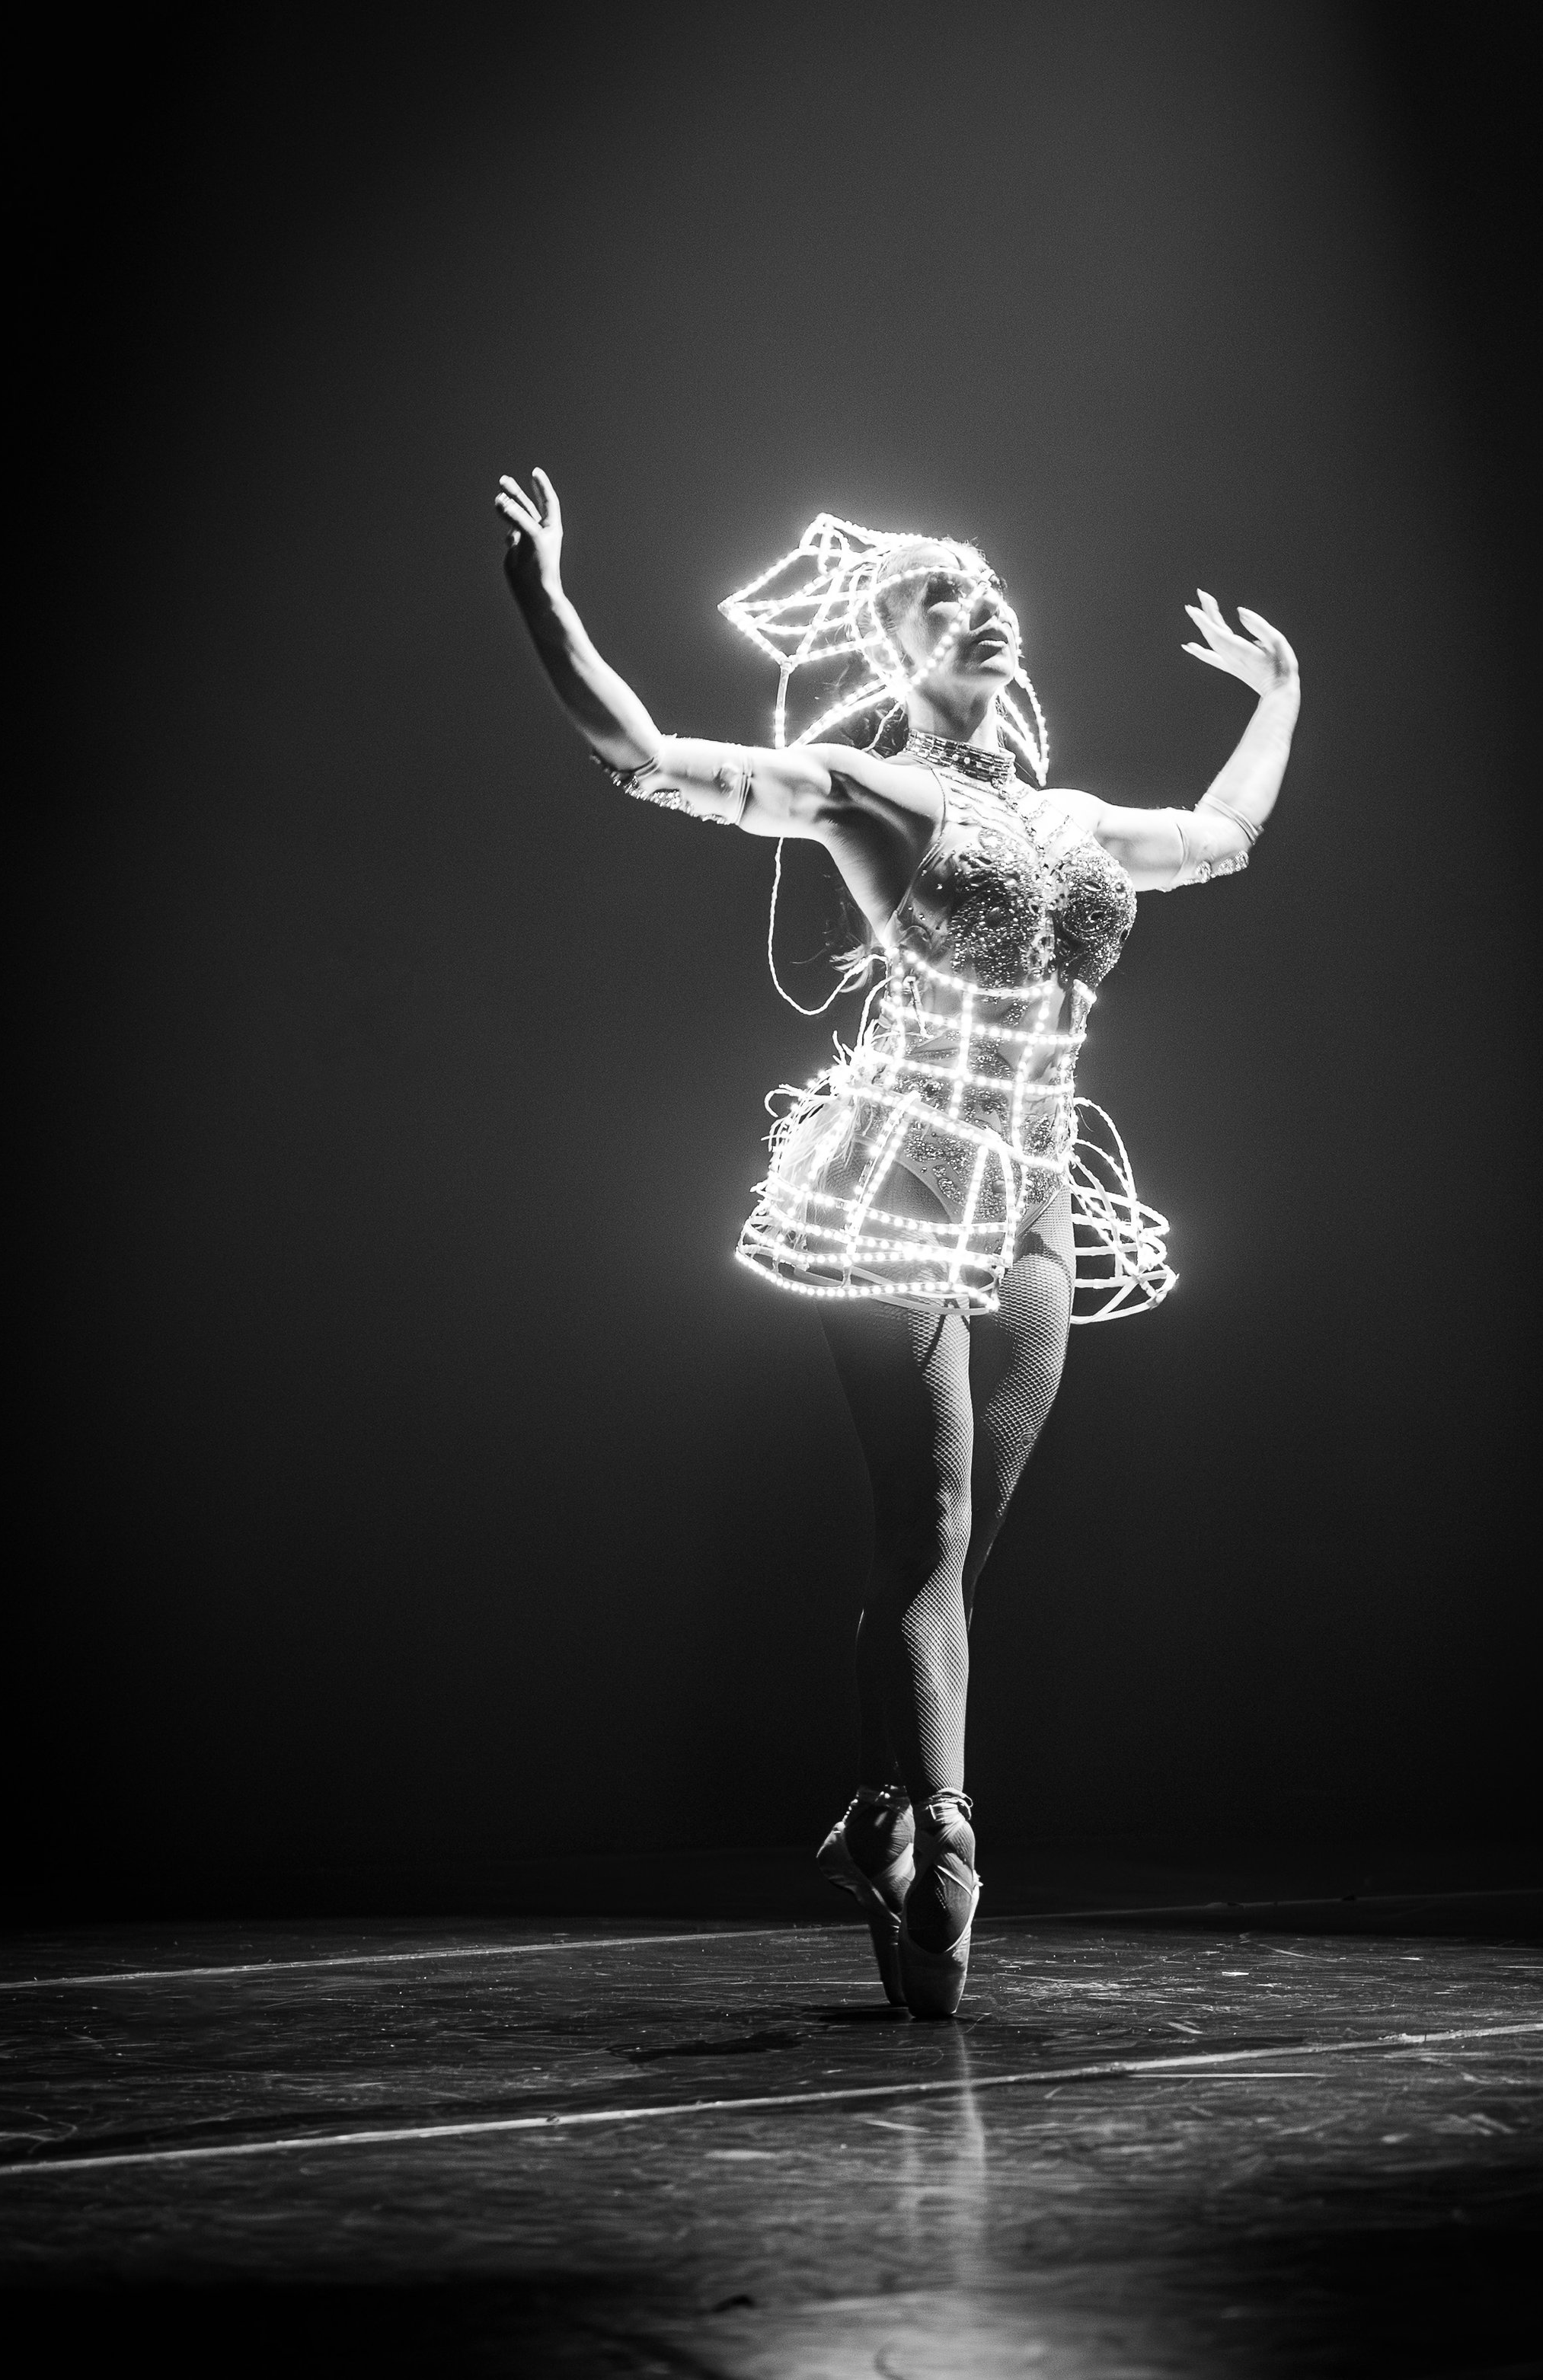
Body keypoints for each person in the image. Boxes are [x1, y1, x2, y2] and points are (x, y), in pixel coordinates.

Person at [494, 470, 1300, 2016]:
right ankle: (941, 1834)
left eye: (988, 589)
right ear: (893, 644)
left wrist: (1280, 696)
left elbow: (1218, 838)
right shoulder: (863, 787)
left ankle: (886, 1816)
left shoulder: (1069, 820)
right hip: (903, 1177)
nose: (980, 607)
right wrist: (548, 604)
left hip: (1037, 1191)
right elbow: (647, 755)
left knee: (958, 1545)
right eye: (943, 597)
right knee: (925, 1518)